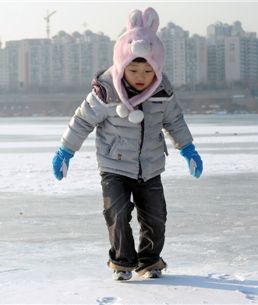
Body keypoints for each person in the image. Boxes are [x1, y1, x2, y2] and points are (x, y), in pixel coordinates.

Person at [52, 7, 203, 281]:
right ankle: (122, 262)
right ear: (122, 64)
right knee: (117, 212)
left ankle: (150, 261)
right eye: (133, 68)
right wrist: (65, 151)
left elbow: (175, 121)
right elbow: (82, 121)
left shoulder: (162, 92)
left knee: (156, 217)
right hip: (114, 166)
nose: (141, 75)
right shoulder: (106, 92)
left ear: (156, 68)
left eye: (147, 69)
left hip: (150, 166)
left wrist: (188, 148)